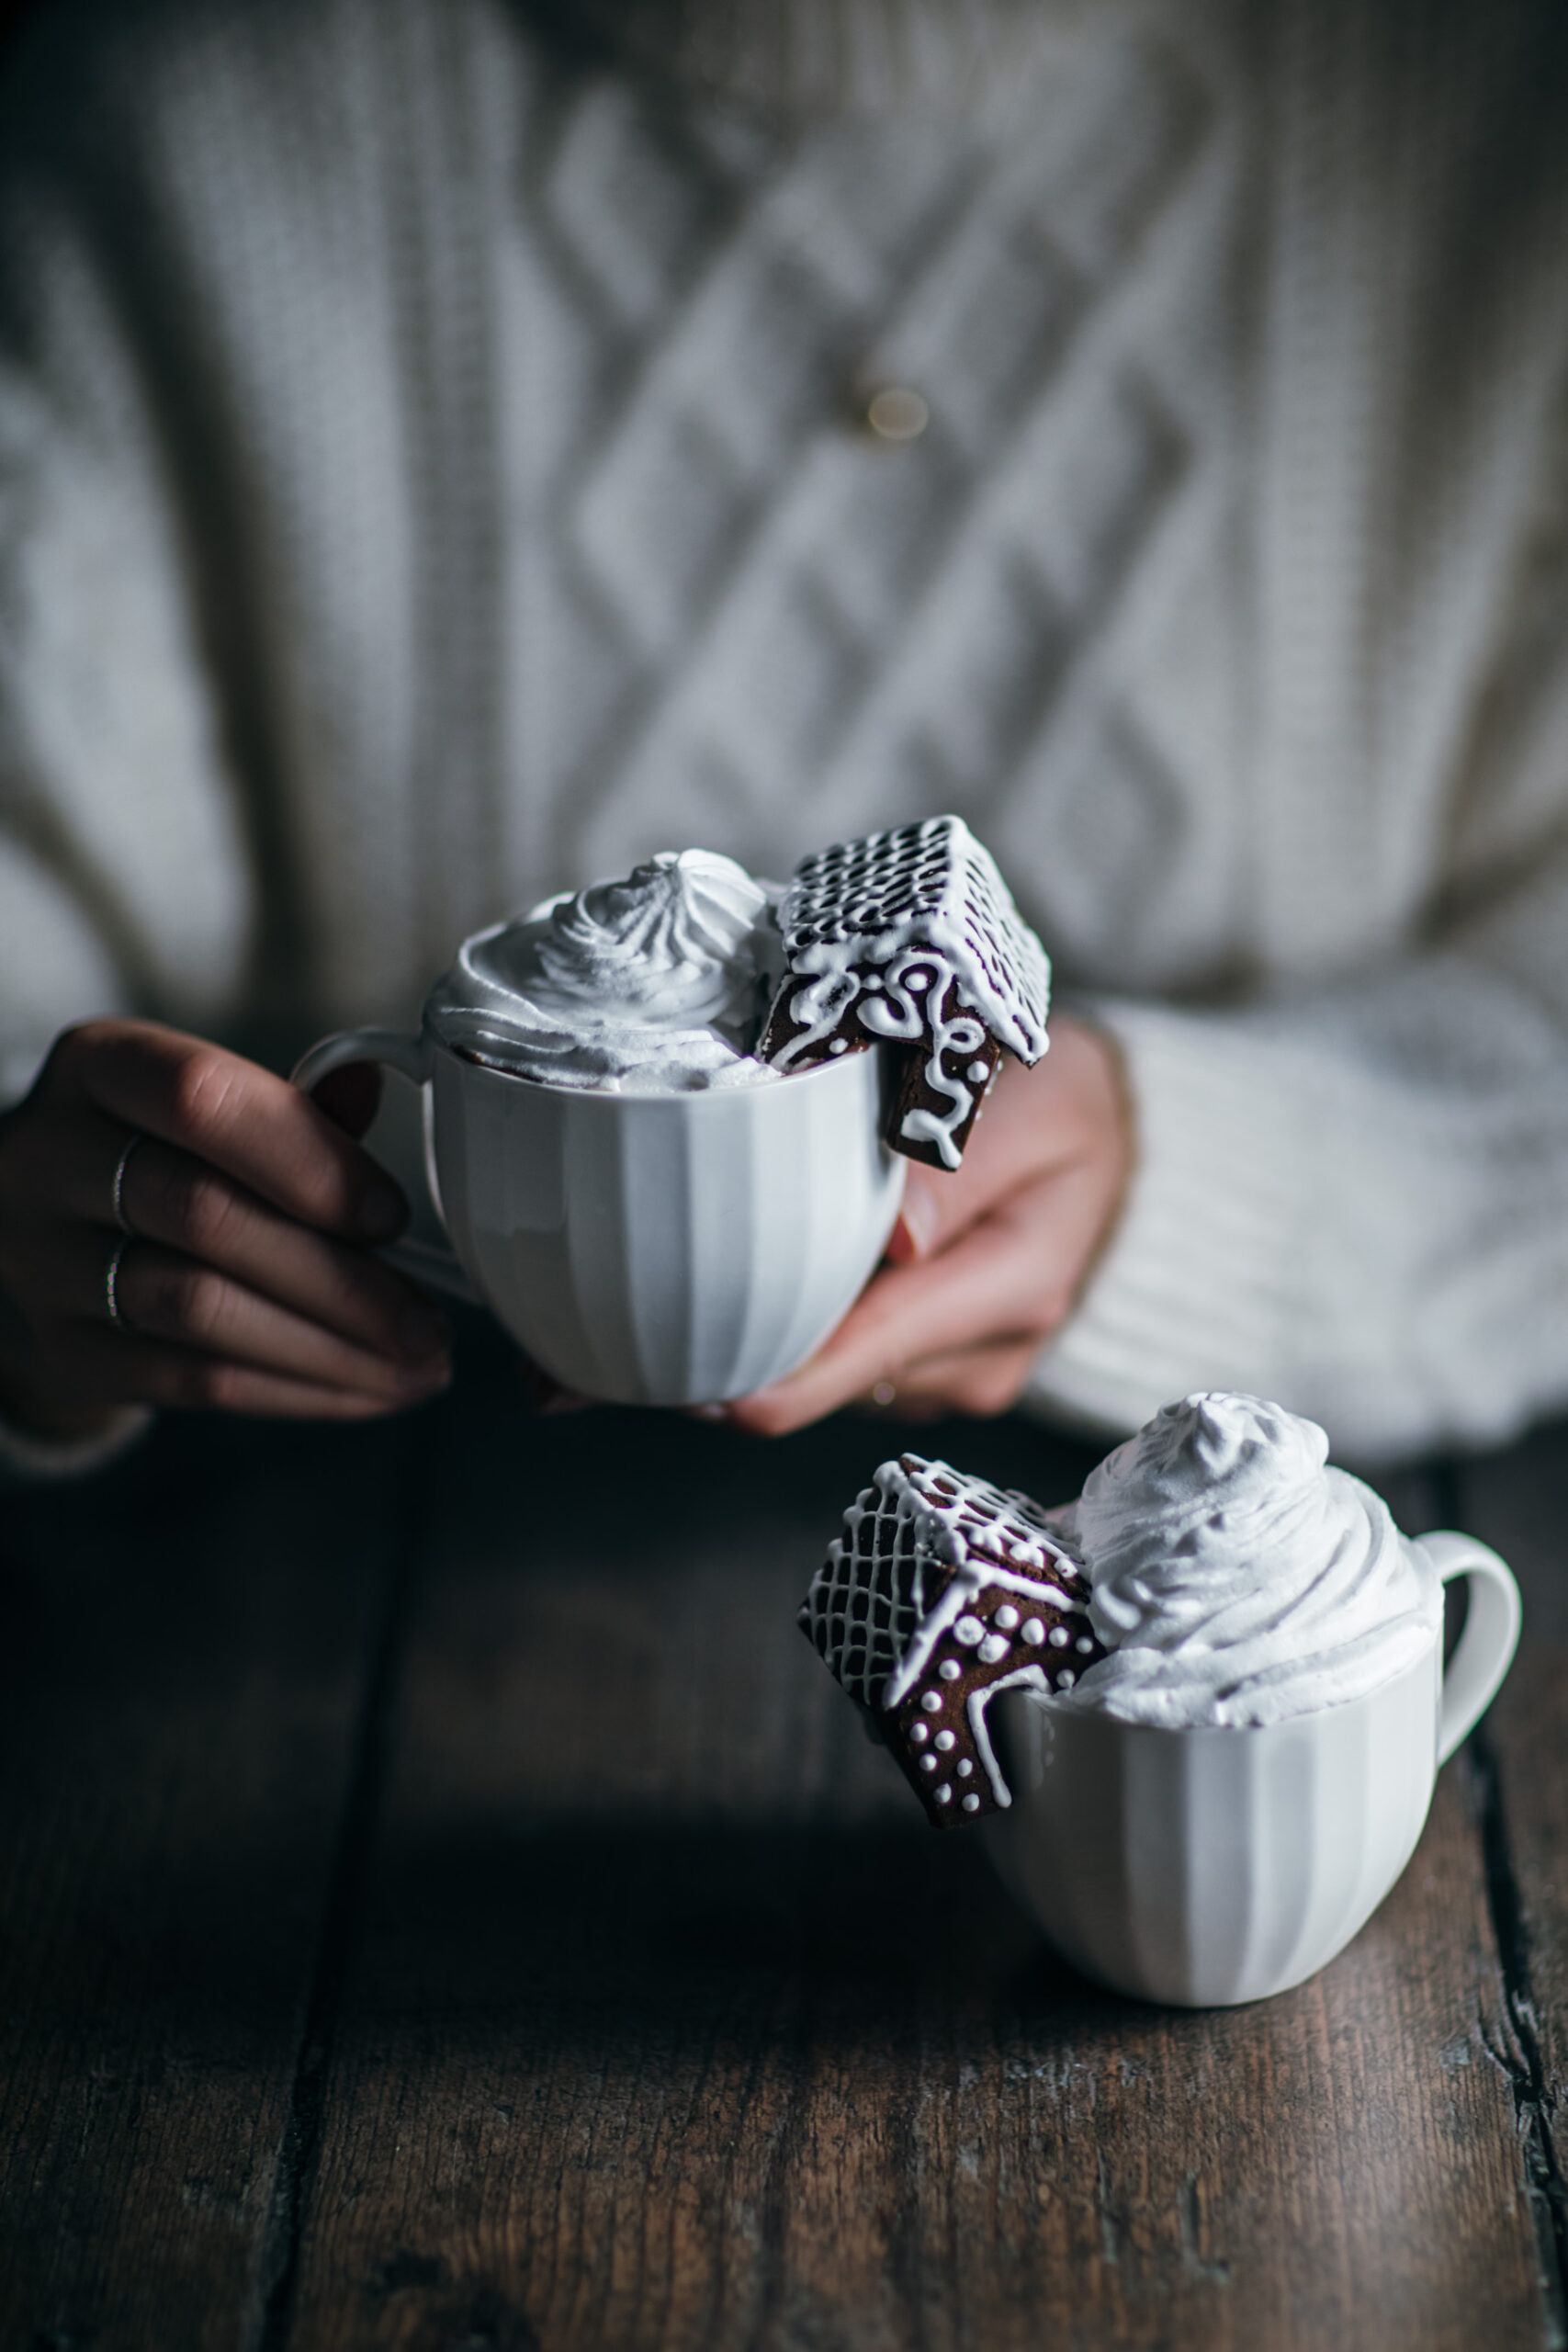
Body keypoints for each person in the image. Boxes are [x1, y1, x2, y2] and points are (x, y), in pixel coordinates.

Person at [2, 0, 1567, 1475]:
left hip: (1335, 1524)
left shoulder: (1494, 108)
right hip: (299, 1540)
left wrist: (1189, 1183)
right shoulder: (176, 115)